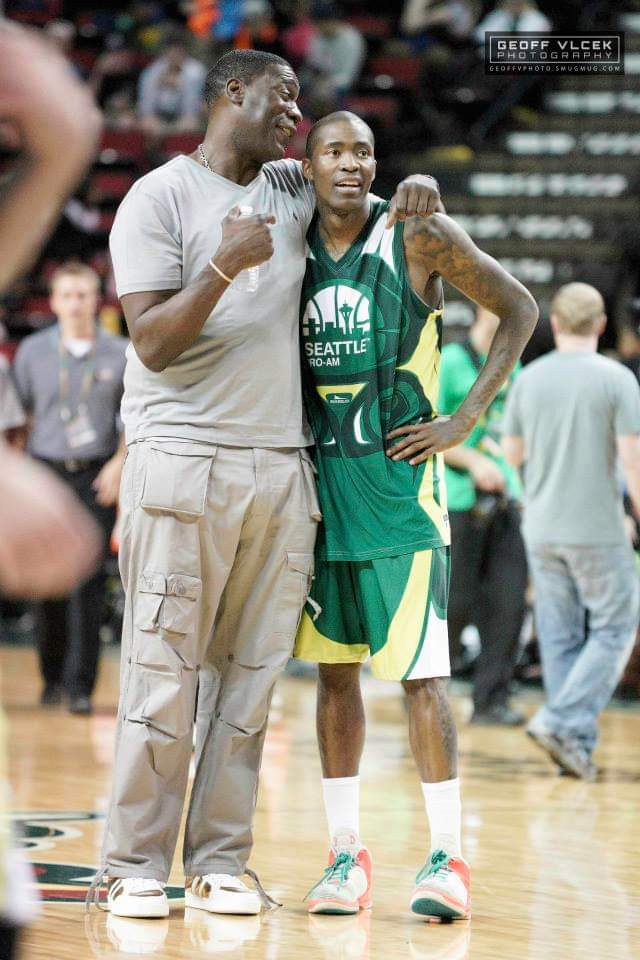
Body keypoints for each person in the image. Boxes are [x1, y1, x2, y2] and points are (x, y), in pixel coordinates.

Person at [97, 49, 442, 920]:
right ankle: (134, 863)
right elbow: (153, 345)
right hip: (184, 458)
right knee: (164, 672)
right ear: (231, 94)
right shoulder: (159, 198)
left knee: (249, 683)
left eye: (300, 101)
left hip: (281, 468)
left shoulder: (292, 187)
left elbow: (353, 168)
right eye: (283, 97)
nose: (297, 112)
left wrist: (419, 185)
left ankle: (219, 860)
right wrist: (219, 266)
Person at [293, 111, 537, 920]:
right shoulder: (291, 243)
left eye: (365, 150)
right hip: (323, 501)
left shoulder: (414, 234)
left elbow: (520, 307)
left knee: (424, 680)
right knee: (334, 679)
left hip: (403, 502)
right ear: (311, 164)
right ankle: (344, 853)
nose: (352, 163)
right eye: (335, 150)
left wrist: (466, 419)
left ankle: (447, 858)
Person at [503, 282, 640, 779]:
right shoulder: (617, 379)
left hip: (541, 525)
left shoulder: (528, 379)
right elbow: (632, 460)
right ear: (601, 325)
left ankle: (573, 743)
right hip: (597, 527)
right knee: (617, 625)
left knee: (560, 635)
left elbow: (512, 454)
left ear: (555, 324)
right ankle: (561, 720)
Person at [12, 262, 127, 715]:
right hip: (45, 471)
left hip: (95, 474)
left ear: (97, 299)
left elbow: (133, 417)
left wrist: (120, 461)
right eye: (68, 295)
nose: (76, 303)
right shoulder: (32, 353)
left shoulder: (120, 353)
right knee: (46, 584)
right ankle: (51, 678)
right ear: (55, 301)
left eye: (85, 294)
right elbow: (18, 419)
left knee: (88, 580)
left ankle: (81, 688)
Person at [439, 307, 527, 725]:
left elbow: (516, 434)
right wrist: (473, 461)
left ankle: (491, 700)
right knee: (455, 602)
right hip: (458, 499)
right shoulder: (452, 360)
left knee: (508, 600)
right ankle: (428, 692)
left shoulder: (516, 365)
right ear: (479, 309)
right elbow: (426, 427)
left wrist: (509, 469)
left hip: (506, 500)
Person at [137, 31, 206, 134]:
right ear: (166, 50)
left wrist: (183, 86)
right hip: (158, 116)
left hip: (185, 116)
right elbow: (145, 103)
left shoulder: (196, 71)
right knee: (147, 124)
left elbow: (193, 107)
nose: (174, 53)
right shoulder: (153, 70)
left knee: (189, 125)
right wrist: (159, 84)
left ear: (184, 50)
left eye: (178, 50)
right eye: (172, 49)